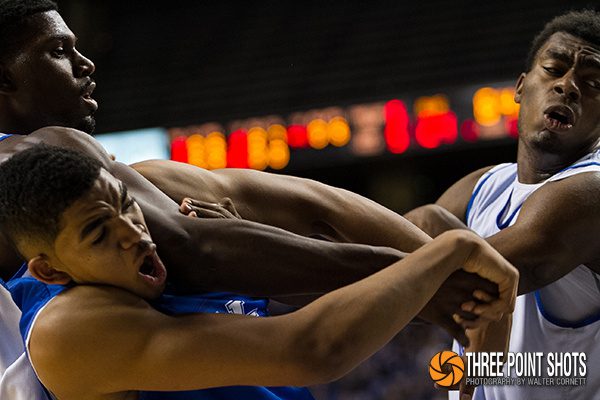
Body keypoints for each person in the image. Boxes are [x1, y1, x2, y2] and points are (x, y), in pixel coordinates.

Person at [0, 1, 498, 397]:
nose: (86, 63)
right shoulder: (34, 157)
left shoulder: (106, 243)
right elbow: (209, 252)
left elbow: (293, 223)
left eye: (129, 212)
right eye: (58, 50)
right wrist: (420, 274)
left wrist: (414, 277)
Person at [0, 144, 518, 400]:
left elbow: (323, 204)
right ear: (49, 269)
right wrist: (443, 256)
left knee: (425, 222)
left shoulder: (156, 227)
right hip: (317, 365)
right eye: (98, 232)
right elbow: (310, 350)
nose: (133, 232)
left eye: (124, 207)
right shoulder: (68, 332)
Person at [405, 9, 600, 400]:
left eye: (593, 82)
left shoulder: (592, 191)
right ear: (521, 87)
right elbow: (394, 257)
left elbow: (452, 279)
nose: (568, 86)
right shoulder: (483, 185)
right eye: (554, 69)